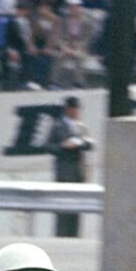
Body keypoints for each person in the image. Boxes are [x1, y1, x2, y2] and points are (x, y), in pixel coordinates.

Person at [48, 95, 92, 238]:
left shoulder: (81, 127)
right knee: (63, 208)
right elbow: (48, 146)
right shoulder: (58, 126)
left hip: (78, 172)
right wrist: (63, 146)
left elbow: (90, 144)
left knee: (77, 208)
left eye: (77, 109)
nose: (75, 112)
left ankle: (74, 235)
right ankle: (61, 234)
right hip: (64, 172)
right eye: (72, 109)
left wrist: (82, 143)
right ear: (67, 109)